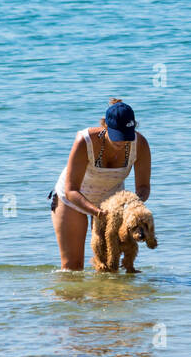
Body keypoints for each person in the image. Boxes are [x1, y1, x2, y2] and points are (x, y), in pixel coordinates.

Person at [50, 99, 151, 270]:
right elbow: (71, 190)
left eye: (127, 137)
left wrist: (133, 203)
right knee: (72, 267)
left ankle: (104, 297)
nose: (122, 143)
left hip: (112, 205)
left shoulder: (139, 144)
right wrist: (97, 212)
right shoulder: (85, 141)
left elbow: (143, 187)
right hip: (72, 200)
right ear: (105, 126)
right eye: (117, 137)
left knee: (108, 266)